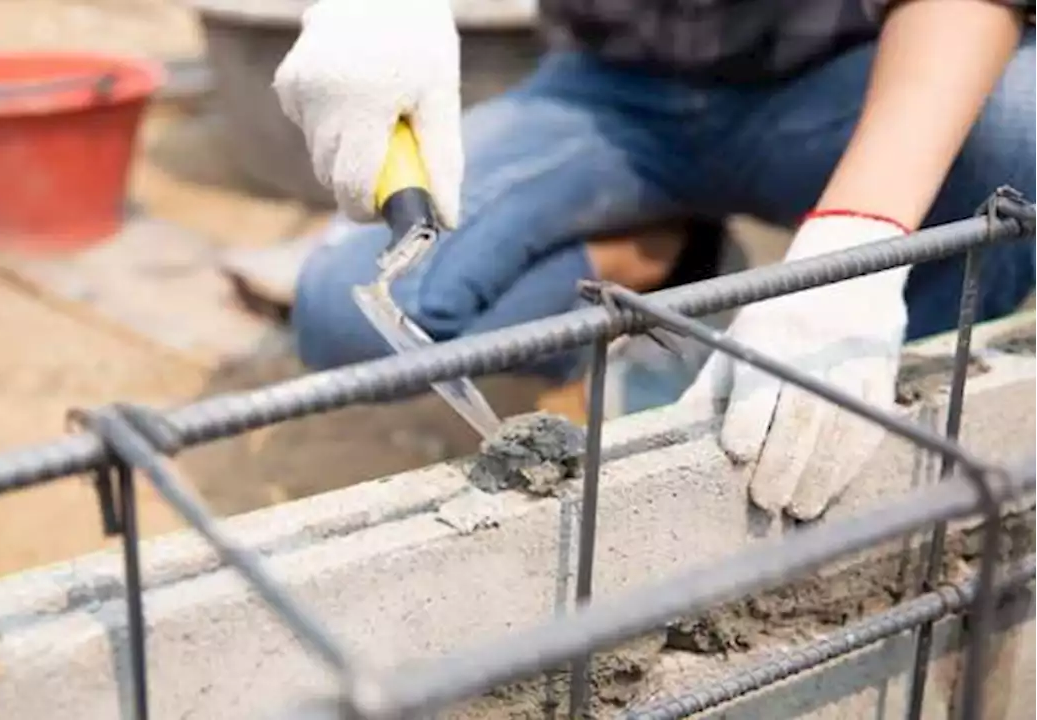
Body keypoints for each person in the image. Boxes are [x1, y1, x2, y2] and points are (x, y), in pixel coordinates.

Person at [271, 0, 1037, 521]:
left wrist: (859, 235)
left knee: (1023, 128)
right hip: (612, 96)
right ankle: (671, 261)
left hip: (838, 78)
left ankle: (874, 434)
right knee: (343, 312)